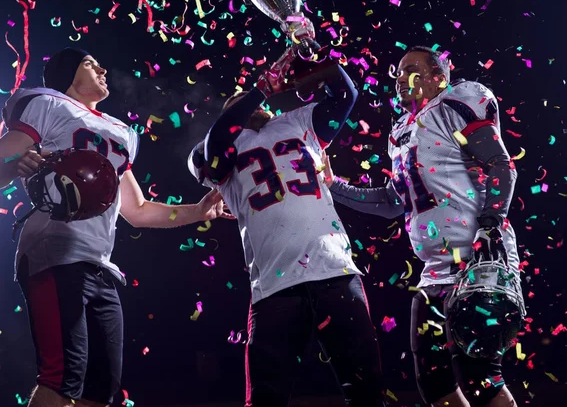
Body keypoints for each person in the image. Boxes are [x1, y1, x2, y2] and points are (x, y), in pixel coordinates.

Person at [0, 48, 233, 407]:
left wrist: (198, 211)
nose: (103, 68)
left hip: (99, 263)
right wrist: (16, 164)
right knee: (62, 380)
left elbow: (136, 210)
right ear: (68, 74)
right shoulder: (48, 104)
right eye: (91, 63)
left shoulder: (119, 132)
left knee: (101, 389)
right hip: (54, 250)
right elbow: (3, 161)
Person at [323, 46, 522, 407]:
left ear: (438, 77)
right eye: (397, 71)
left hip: (477, 261)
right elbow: (391, 201)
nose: (399, 77)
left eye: (410, 69)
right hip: (435, 271)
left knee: (482, 379)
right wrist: (333, 185)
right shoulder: (400, 133)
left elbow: (501, 164)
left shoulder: (455, 105)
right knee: (434, 383)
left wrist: (490, 224)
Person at [188, 42, 385, 406]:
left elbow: (346, 92)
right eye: (239, 102)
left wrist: (307, 62)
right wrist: (259, 88)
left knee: (367, 390)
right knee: (266, 398)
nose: (254, 105)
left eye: (255, 101)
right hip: (275, 286)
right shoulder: (212, 147)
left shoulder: (296, 121)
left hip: (335, 271)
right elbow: (217, 146)